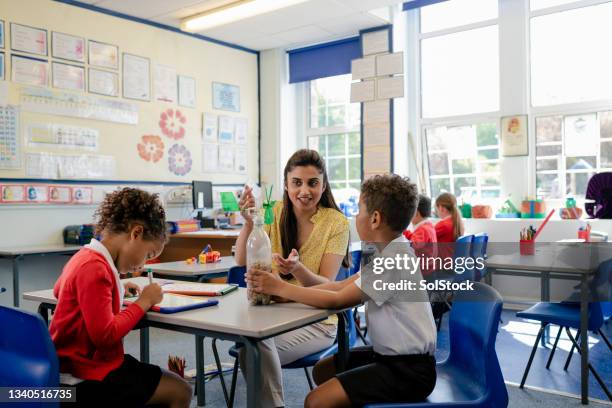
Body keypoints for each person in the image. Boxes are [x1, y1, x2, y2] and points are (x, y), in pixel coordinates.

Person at [247, 174, 437, 407]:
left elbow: (338, 299)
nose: (355, 217)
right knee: (323, 370)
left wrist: (282, 287)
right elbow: (338, 286)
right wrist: (298, 271)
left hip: (408, 370)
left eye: (359, 210)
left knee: (315, 401)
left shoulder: (393, 262)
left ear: (375, 219)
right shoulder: (390, 252)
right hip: (391, 357)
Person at [49, 188, 192, 408]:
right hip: (83, 381)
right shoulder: (96, 269)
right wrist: (144, 301)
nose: (143, 264)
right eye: (148, 254)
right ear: (136, 233)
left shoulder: (85, 256)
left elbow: (60, 290)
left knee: (147, 376)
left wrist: (116, 287)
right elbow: (105, 336)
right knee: (180, 390)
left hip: (67, 371)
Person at [235, 149, 350, 407]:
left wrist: (297, 271)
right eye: (296, 183)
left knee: (254, 348)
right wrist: (247, 223)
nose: (304, 191)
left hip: (318, 320)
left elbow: (328, 287)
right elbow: (241, 259)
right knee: (252, 345)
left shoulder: (336, 222)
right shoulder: (273, 212)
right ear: (286, 185)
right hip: (273, 313)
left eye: (313, 183)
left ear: (323, 185)